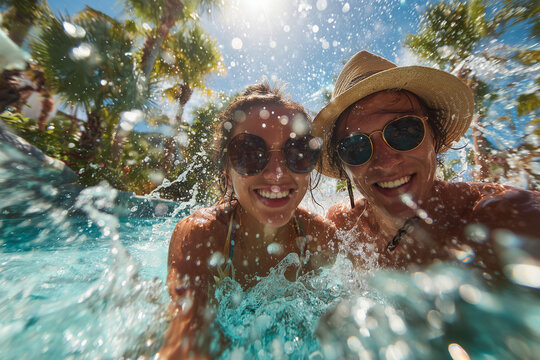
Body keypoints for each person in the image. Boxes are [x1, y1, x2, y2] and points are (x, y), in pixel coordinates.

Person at [312, 50, 540, 278]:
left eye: (403, 131)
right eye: (356, 147)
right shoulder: (345, 226)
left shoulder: (498, 220)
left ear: (434, 136)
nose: (386, 162)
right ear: (344, 167)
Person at [159, 81, 336, 358]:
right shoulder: (202, 236)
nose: (277, 174)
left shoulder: (319, 238)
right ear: (227, 172)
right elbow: (184, 340)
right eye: (250, 154)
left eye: (297, 151)